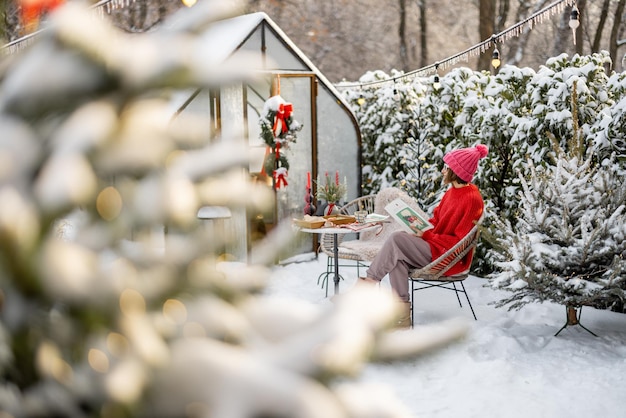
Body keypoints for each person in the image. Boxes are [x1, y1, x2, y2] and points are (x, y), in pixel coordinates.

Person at [360, 144, 488, 328]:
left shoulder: (471, 199)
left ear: (456, 171)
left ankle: (366, 286)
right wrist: (419, 226)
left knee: (396, 240)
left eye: (447, 167)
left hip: (447, 257)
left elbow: (460, 244)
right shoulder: (452, 192)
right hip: (435, 247)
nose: (443, 170)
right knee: (398, 258)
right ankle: (401, 318)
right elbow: (436, 220)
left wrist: (426, 234)